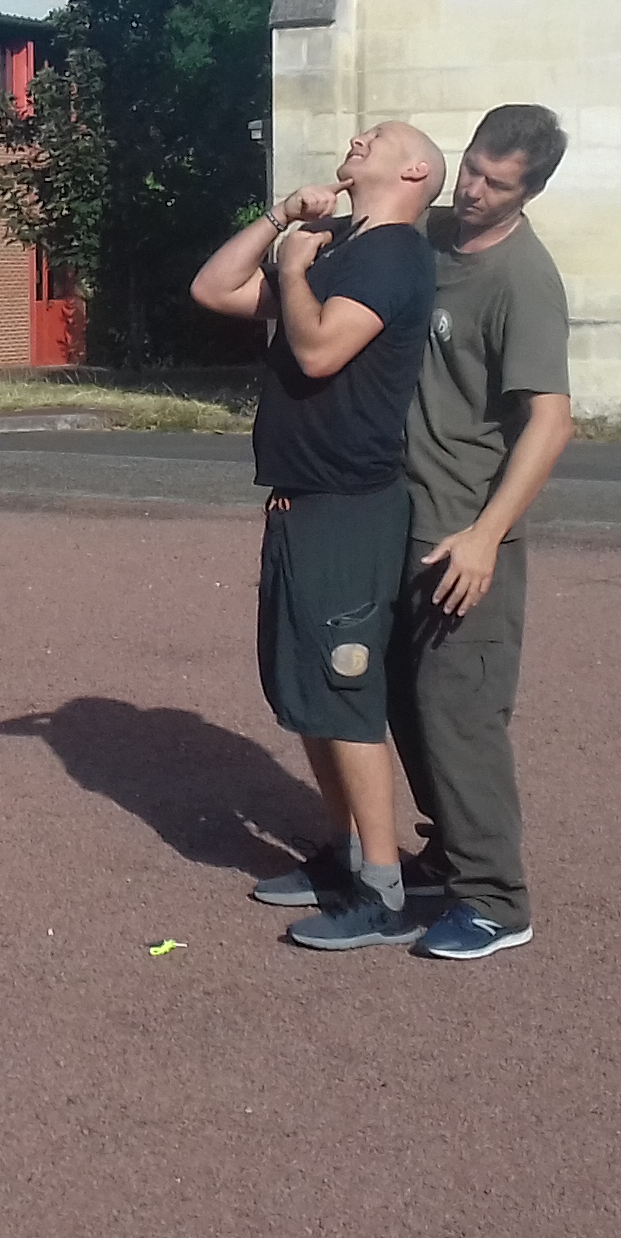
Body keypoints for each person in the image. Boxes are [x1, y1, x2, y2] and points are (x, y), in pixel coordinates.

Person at [190, 120, 445, 950]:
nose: (358, 137)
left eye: (381, 136)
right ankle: (341, 856)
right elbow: (215, 289)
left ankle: (382, 887)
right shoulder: (337, 246)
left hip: (350, 504)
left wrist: (295, 269)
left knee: (343, 693)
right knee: (304, 691)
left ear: (415, 170)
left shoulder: (395, 254)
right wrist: (279, 220)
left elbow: (323, 347)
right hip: (304, 499)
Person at [396, 103, 574, 960]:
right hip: (396, 514)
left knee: (458, 712)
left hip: (464, 532)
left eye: (495, 185)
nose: (470, 191)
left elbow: (550, 420)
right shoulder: (428, 234)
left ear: (529, 191)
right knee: (400, 699)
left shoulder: (523, 280)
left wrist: (485, 535)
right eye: (470, 169)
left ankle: (497, 900)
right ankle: (444, 854)